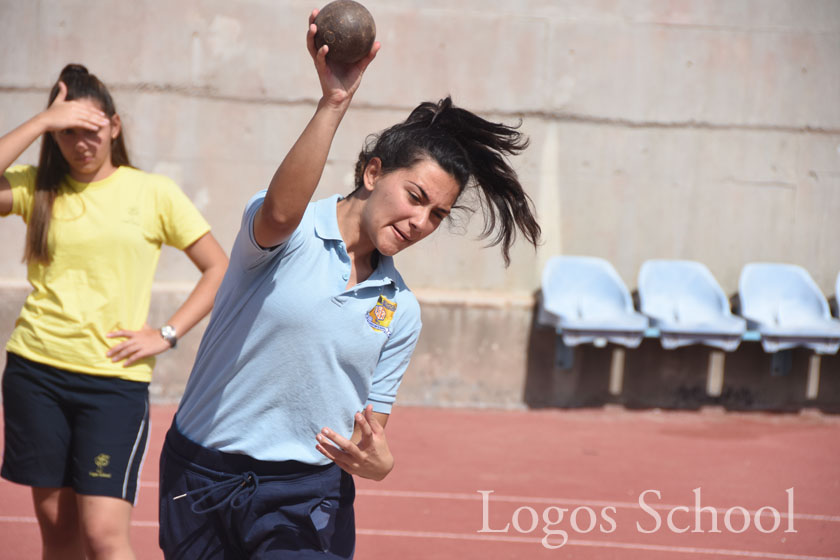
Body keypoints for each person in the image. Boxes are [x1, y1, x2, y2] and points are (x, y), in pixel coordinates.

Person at [157, 9, 541, 559]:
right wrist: (334, 102)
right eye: (414, 196)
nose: (421, 222)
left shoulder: (399, 309)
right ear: (372, 172)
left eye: (437, 214)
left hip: (304, 494)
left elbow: (370, 434)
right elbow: (282, 211)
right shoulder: (284, 237)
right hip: (202, 474)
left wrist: (377, 461)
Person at [0, 64, 228, 559]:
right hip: (36, 373)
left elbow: (218, 269)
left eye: (92, 131)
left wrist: (165, 334)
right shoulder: (36, 186)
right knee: (58, 532)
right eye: (67, 133)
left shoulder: (153, 193)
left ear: (115, 127)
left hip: (113, 384)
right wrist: (41, 122)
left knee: (104, 535)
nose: (81, 143)